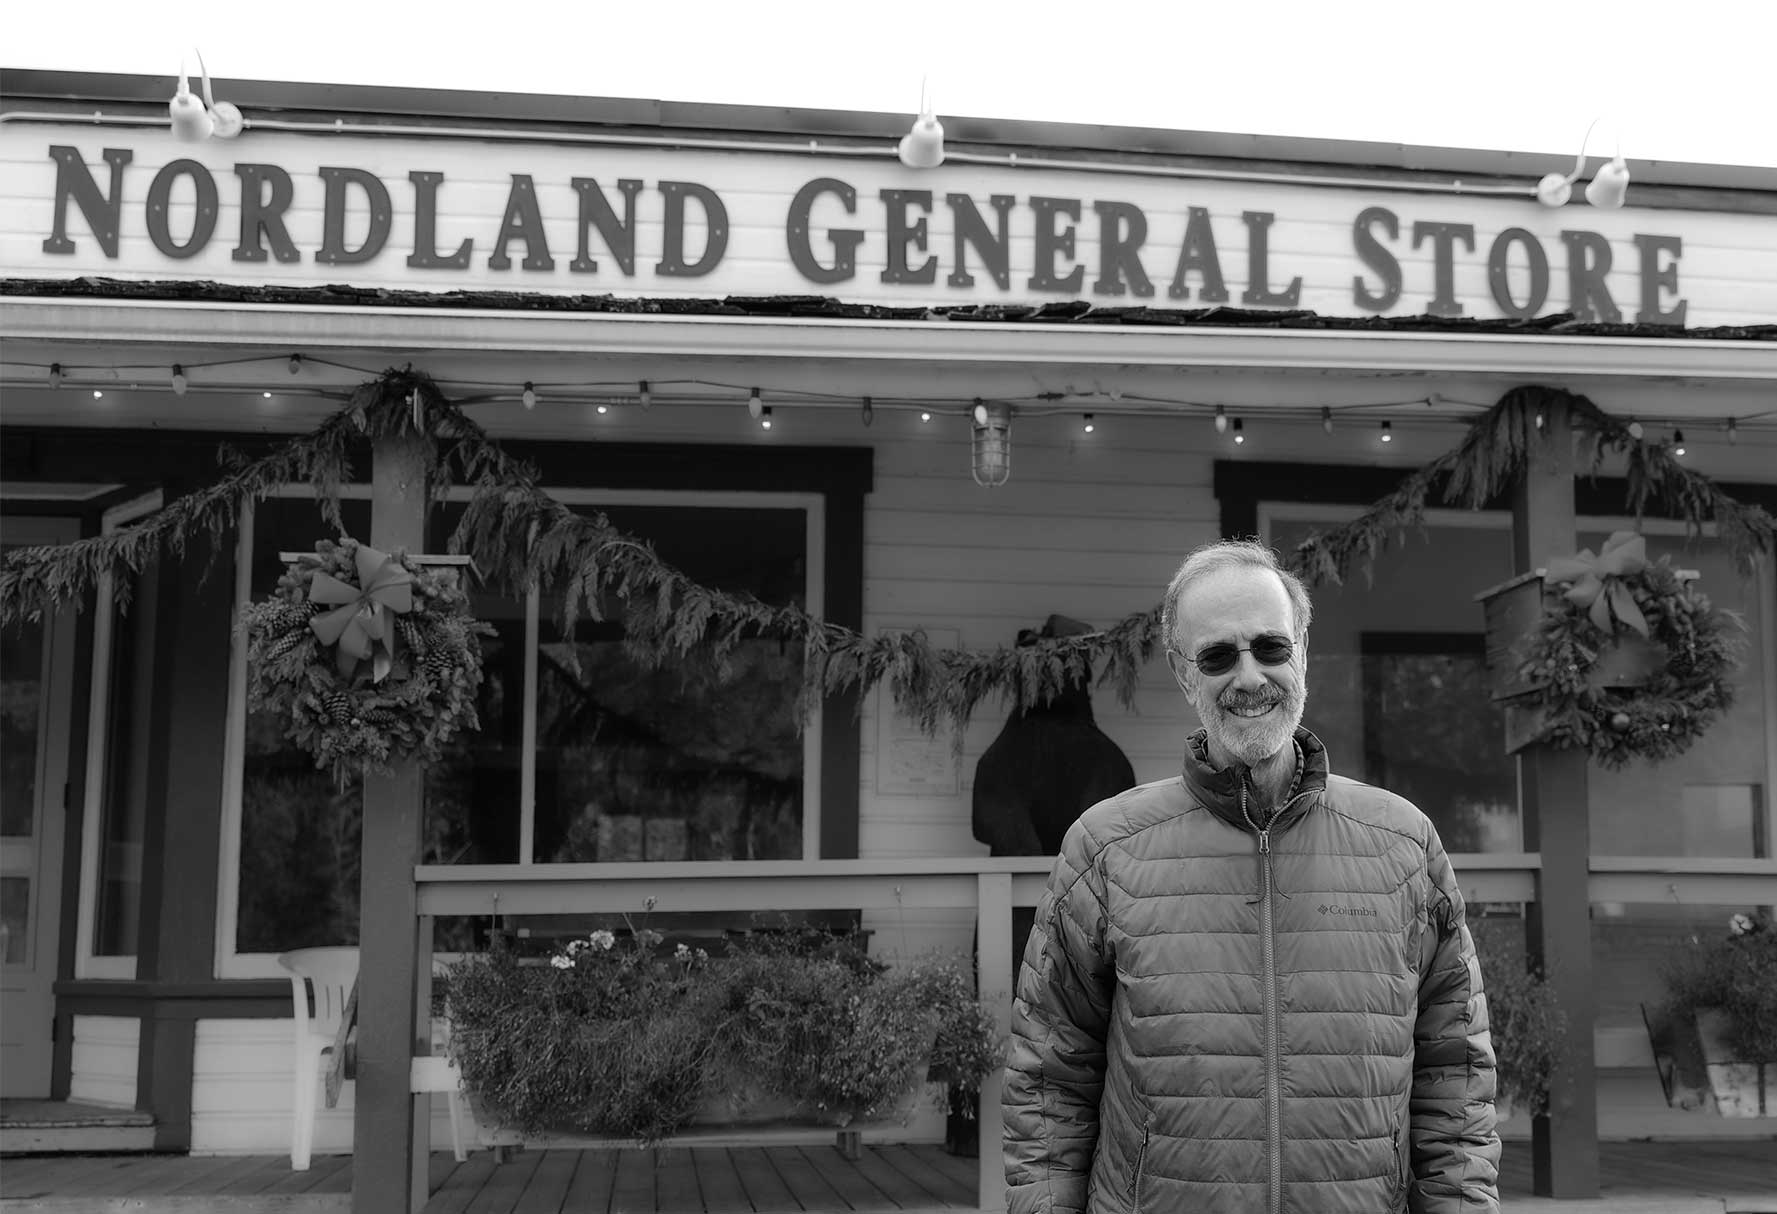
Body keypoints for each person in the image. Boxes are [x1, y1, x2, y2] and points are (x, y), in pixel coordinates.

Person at [1002, 539, 1501, 1214]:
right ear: (1183, 674)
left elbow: (1455, 1082)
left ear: (1301, 652)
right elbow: (1048, 1082)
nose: (1247, 677)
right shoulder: (1105, 849)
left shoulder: (1403, 845)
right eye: (1217, 655)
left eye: (1268, 647)